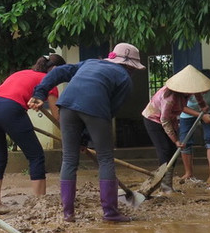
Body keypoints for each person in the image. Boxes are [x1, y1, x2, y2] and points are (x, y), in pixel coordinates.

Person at [27, 43, 145, 223]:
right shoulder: (125, 79)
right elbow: (109, 111)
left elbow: (58, 72)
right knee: (105, 159)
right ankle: (110, 213)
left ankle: (68, 213)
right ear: (130, 66)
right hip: (96, 108)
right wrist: (86, 137)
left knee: (69, 159)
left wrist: (39, 93)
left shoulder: (89, 63)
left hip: (66, 106)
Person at [0, 54, 67, 208]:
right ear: (56, 71)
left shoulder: (21, 73)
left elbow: (13, 92)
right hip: (11, 109)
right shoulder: (49, 82)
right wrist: (74, 135)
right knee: (36, 156)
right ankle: (40, 203)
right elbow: (58, 117)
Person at [141, 65, 210, 193]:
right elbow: (164, 120)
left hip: (170, 119)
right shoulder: (169, 98)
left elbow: (197, 94)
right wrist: (175, 139)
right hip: (154, 120)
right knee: (165, 150)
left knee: (174, 151)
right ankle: (164, 185)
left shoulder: (189, 90)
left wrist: (202, 105)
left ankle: (167, 184)